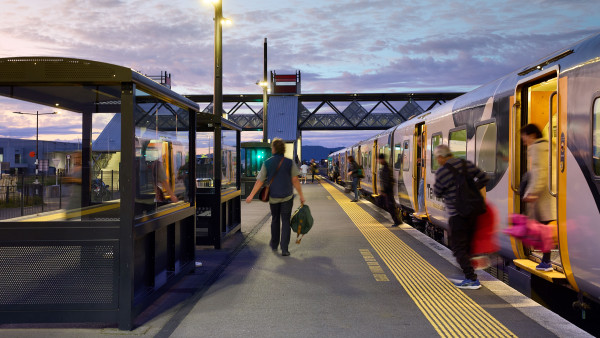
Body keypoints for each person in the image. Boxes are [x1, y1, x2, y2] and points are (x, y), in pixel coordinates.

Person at [433, 145, 488, 289]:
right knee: (468, 246)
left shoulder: (443, 171)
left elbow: (437, 192)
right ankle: (469, 275)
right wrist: (472, 191)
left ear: (441, 157)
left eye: (437, 158)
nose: (437, 161)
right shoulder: (466, 164)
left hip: (457, 214)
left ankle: (471, 279)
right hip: (473, 212)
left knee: (458, 248)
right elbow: (484, 178)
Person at [246, 138, 306, 256]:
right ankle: (285, 249)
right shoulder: (290, 163)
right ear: (283, 149)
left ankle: (274, 244)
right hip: (287, 197)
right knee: (285, 222)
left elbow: (259, 181)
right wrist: (301, 196)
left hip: (273, 197)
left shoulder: (267, 163)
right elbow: (295, 180)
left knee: (275, 220)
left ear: (273, 149)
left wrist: (251, 195)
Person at [521, 123, 556, 272]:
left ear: (532, 135)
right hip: (549, 192)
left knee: (543, 228)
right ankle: (546, 260)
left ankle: (546, 261)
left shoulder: (536, 148)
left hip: (542, 195)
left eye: (524, 138)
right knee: (546, 227)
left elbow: (539, 172)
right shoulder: (549, 146)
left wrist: (532, 192)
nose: (524, 141)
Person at [378, 154, 402, 226]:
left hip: (388, 190)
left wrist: (384, 191)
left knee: (391, 206)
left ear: (382, 159)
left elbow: (387, 180)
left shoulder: (386, 168)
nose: (378, 161)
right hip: (388, 190)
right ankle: (398, 220)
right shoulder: (386, 167)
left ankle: (397, 221)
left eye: (379, 160)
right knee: (390, 205)